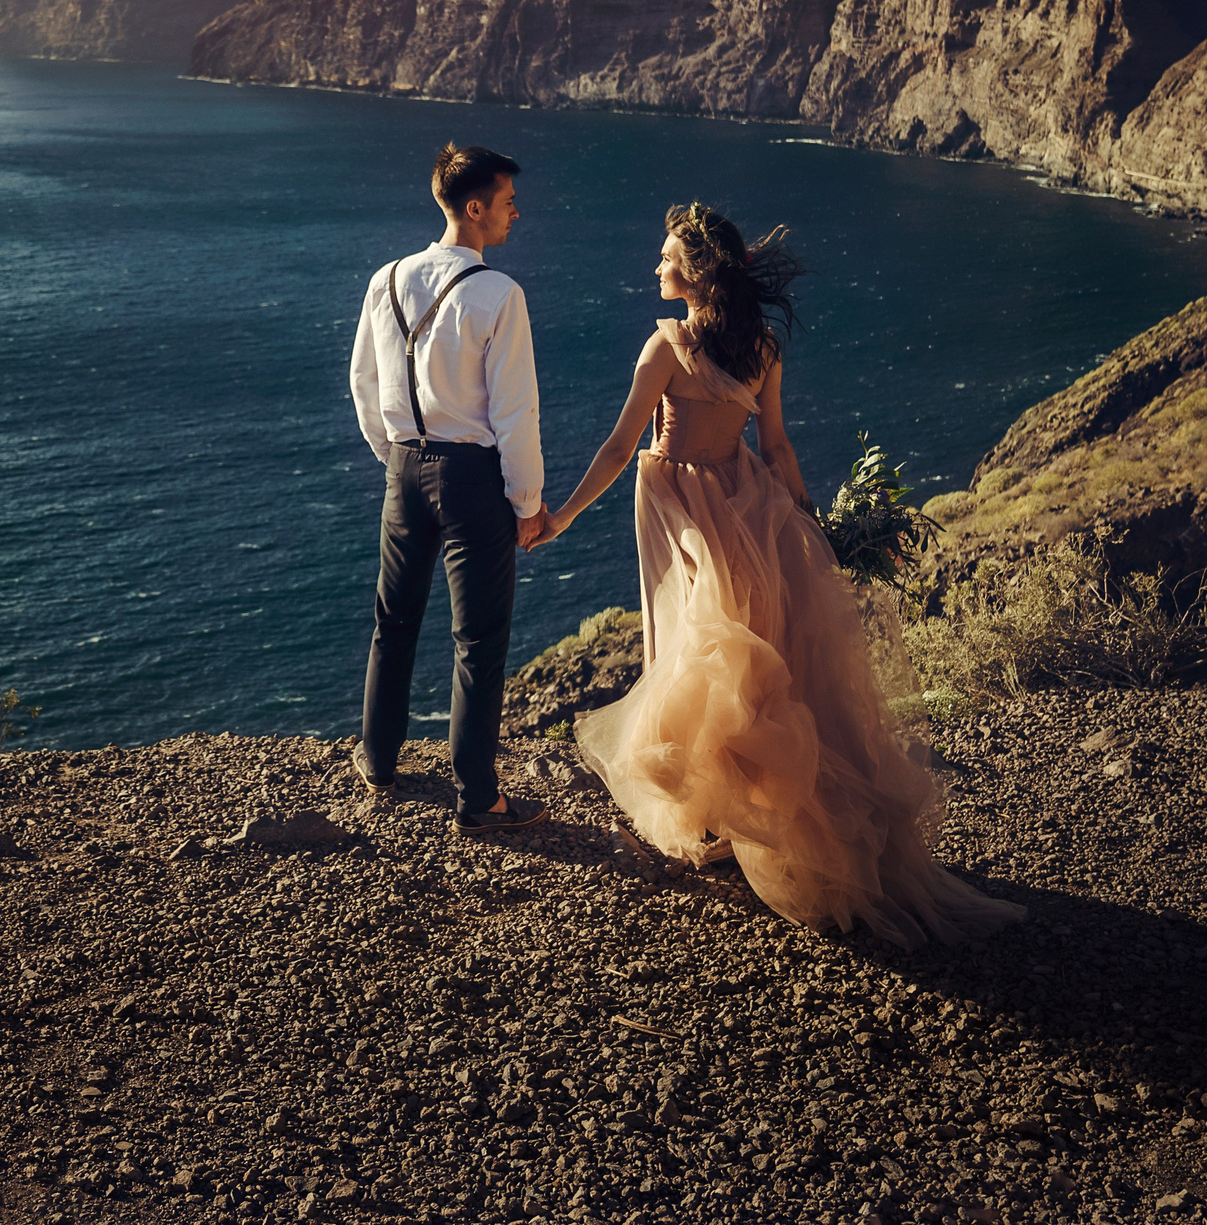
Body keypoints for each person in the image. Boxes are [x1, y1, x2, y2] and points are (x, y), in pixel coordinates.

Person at [532, 203, 1022, 943]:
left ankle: (718, 819)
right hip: (749, 502)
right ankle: (728, 814)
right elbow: (780, 446)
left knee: (700, 649)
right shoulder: (761, 345)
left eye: (666, 258)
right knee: (750, 655)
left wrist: (562, 517)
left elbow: (616, 446)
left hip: (683, 503)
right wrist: (808, 523)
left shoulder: (664, 346)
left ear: (695, 274)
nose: (655, 267)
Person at [348, 143, 550, 832]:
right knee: (478, 638)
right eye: (506, 200)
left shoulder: (387, 277)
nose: (515, 211)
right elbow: (515, 412)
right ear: (475, 208)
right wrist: (527, 502)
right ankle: (478, 795)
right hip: (472, 479)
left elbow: (364, 384)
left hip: (404, 468)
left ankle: (377, 761)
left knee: (393, 620)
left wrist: (396, 455)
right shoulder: (500, 294)